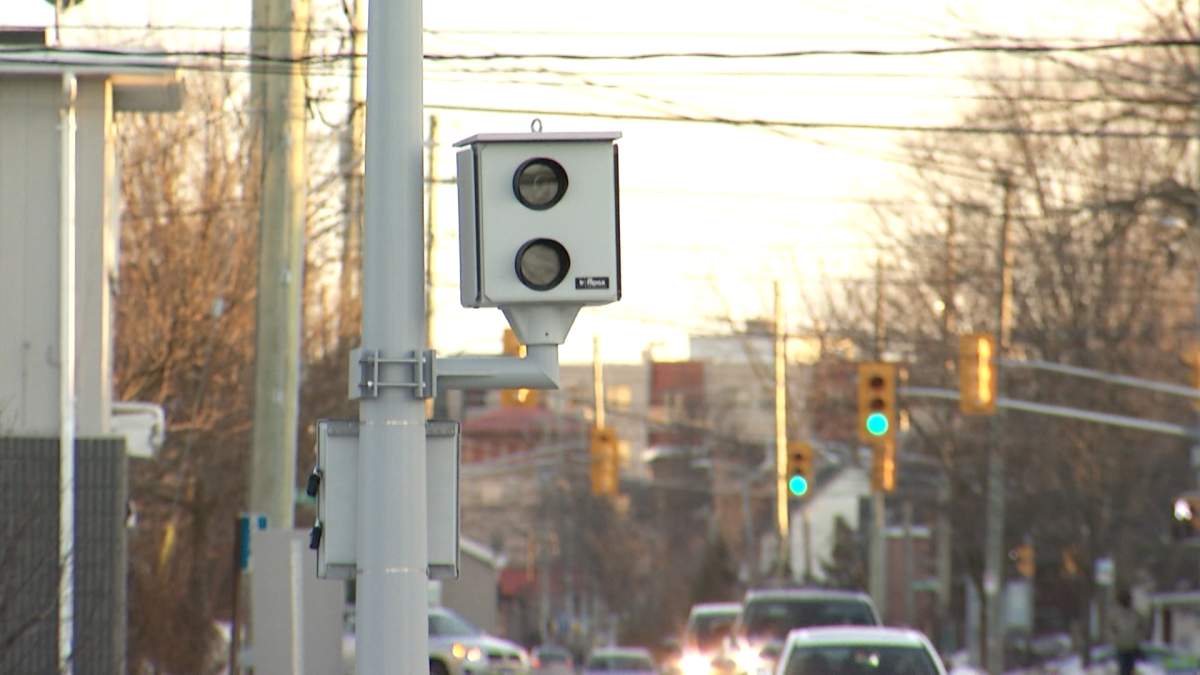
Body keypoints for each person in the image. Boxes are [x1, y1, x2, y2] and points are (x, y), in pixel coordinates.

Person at [1107, 588, 1143, 675]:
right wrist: (1115, 640)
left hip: (1132, 647)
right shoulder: (1115, 614)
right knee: (1123, 670)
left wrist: (1137, 639)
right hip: (1121, 647)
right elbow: (1110, 629)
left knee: (1131, 670)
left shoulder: (1135, 613)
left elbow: (1141, 627)